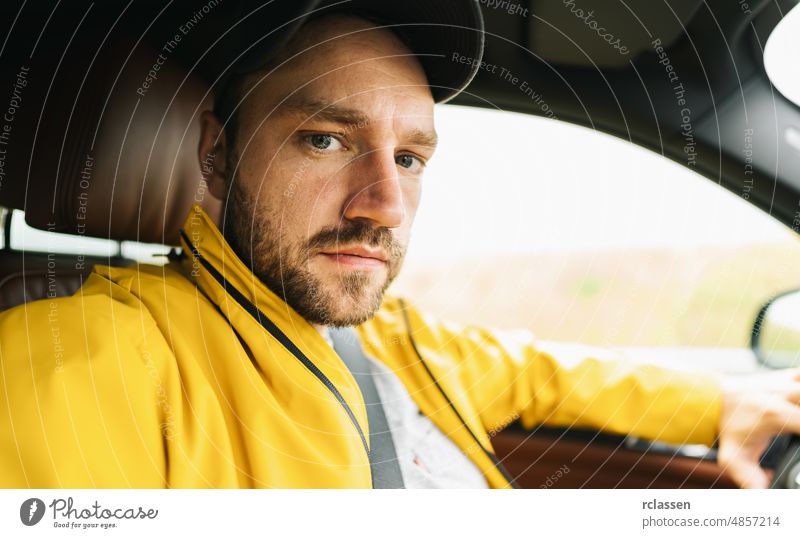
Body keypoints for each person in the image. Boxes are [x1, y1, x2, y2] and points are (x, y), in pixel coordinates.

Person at [1, 0, 799, 489]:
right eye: (323, 140)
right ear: (217, 152)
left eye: (410, 158)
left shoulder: (384, 337)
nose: (385, 204)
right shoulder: (83, 355)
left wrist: (723, 401)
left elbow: (532, 374)